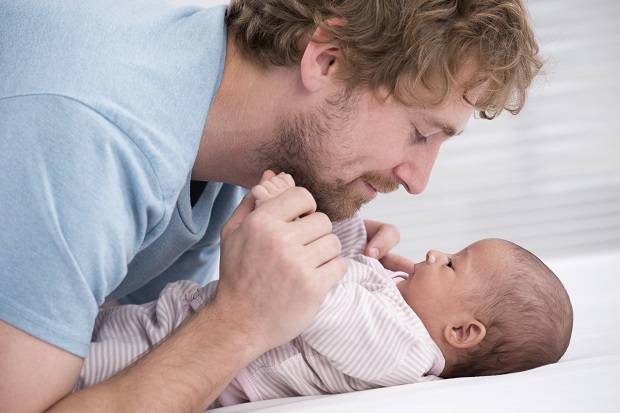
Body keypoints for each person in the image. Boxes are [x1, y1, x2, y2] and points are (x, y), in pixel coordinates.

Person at [0, 0, 544, 411]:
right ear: (327, 61)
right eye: (420, 133)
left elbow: (134, 324)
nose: (419, 179)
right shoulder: (87, 137)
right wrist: (242, 319)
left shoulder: (231, 136)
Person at [73, 173, 573, 409]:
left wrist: (287, 218)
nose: (436, 254)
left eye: (453, 263)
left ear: (463, 331)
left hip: (168, 353)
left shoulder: (404, 351)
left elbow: (315, 296)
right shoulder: (398, 306)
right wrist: (351, 227)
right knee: (79, 330)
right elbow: (344, 269)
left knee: (78, 368)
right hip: (171, 321)